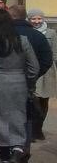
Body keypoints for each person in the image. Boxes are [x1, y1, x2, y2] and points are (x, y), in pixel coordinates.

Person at [0, 9, 38, 163]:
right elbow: (34, 68)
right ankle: (16, 152)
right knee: (18, 119)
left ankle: (6, 161)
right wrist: (28, 83)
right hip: (19, 83)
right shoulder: (22, 40)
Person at [10, 5, 53, 163]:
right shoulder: (38, 37)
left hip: (7, 82)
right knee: (26, 117)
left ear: (12, 17)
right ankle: (24, 149)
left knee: (8, 117)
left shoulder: (6, 35)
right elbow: (46, 60)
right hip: (28, 83)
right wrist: (33, 77)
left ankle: (12, 151)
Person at [29, 8, 56, 144]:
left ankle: (38, 128)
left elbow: (54, 53)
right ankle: (34, 129)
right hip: (34, 69)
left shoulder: (51, 33)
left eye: (39, 18)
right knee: (35, 101)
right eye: (33, 18)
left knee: (44, 101)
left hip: (47, 71)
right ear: (29, 19)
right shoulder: (29, 33)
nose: (36, 21)